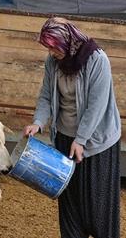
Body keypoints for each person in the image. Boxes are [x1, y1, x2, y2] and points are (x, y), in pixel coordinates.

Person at [23, 17, 121, 238]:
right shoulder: (53, 62)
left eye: (53, 47)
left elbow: (97, 105)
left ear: (66, 41)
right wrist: (38, 123)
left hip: (97, 143)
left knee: (97, 207)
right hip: (66, 139)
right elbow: (47, 96)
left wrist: (81, 140)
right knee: (70, 205)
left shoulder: (97, 60)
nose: (50, 52)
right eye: (47, 47)